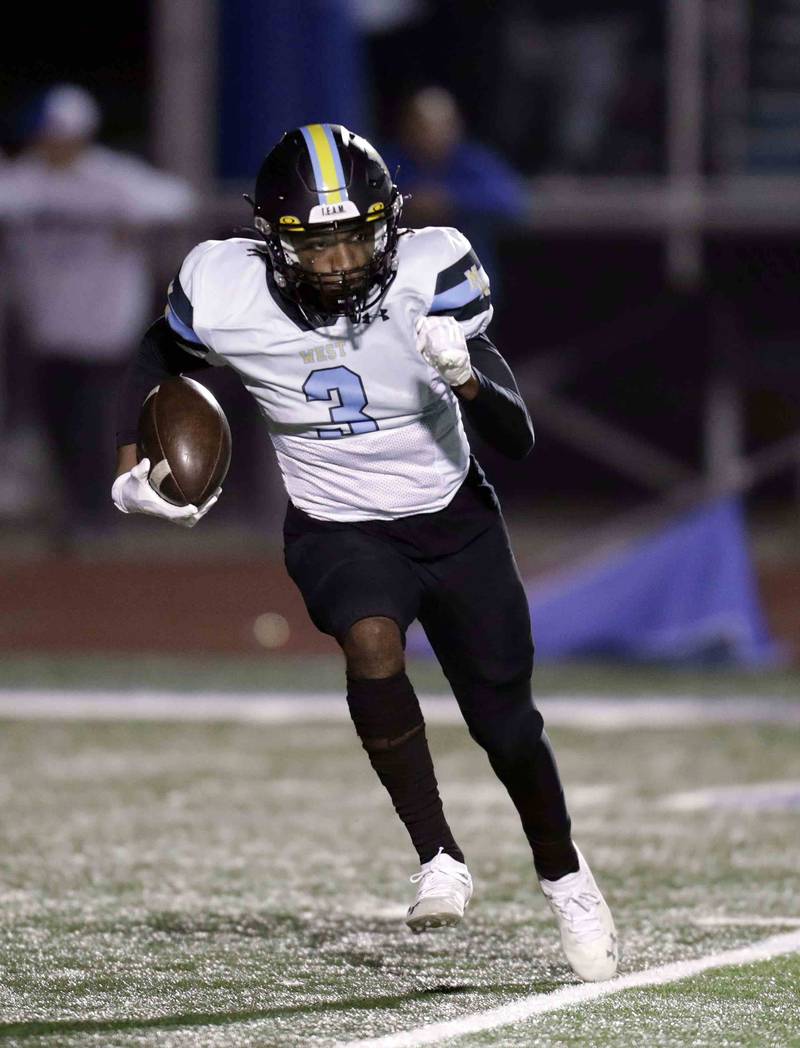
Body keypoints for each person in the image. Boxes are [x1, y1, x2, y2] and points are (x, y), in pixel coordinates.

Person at [112, 123, 618, 982]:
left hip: (453, 519)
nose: (343, 262)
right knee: (371, 638)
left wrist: (465, 377)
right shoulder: (220, 286)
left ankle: (566, 877)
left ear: (387, 227)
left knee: (508, 730)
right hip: (336, 524)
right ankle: (437, 856)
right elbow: (166, 358)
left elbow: (518, 436)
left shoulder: (432, 272)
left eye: (356, 237)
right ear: (270, 242)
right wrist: (139, 462)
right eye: (319, 243)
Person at [0, 83, 195, 545]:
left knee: (93, 425)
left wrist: (128, 216)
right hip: (47, 332)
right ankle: (75, 513)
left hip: (105, 329)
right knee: (55, 426)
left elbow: (176, 199)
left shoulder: (109, 177)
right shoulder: (25, 179)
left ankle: (94, 518)